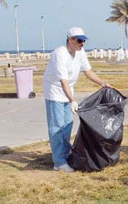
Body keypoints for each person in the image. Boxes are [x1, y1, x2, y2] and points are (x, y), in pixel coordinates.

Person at [43, 27, 111, 172]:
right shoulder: (60, 54)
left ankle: (66, 154)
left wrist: (102, 83)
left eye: (84, 41)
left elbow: (88, 71)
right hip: (55, 92)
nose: (82, 44)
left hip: (67, 92)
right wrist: (72, 99)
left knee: (67, 124)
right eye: (79, 40)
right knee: (57, 127)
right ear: (70, 40)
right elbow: (63, 81)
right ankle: (58, 162)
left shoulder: (80, 53)